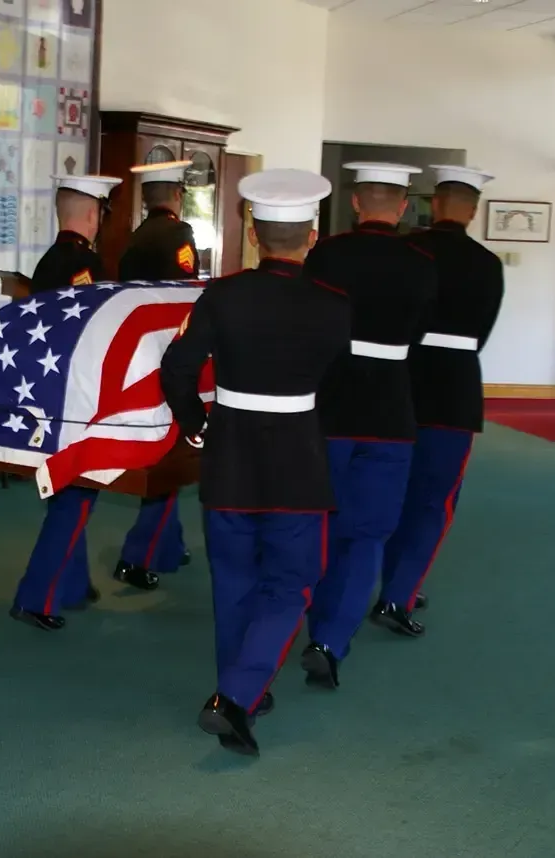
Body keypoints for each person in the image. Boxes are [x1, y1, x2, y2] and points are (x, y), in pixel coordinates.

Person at [161, 168, 349, 755]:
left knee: (234, 579)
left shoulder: (222, 294)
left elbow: (176, 371)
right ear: (312, 234)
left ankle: (240, 686)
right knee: (292, 582)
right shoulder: (335, 306)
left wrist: (197, 426)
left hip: (231, 452)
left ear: (253, 229)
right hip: (297, 456)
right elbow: (339, 389)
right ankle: (237, 695)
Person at [301, 162, 437, 691]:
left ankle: (299, 620)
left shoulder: (327, 254)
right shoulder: (422, 263)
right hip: (389, 411)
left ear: (356, 202)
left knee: (317, 521)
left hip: (330, 405)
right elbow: (420, 336)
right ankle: (330, 641)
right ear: (402, 206)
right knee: (368, 534)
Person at [372, 166, 504, 635]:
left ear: (433, 204)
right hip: (453, 388)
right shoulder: (487, 264)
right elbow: (482, 333)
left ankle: (393, 581)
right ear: (472, 210)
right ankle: (398, 594)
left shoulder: (408, 251)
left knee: (392, 490)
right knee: (434, 499)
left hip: (398, 381)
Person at [10, 174, 122, 631]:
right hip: (78, 399)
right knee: (75, 497)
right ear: (93, 215)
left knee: (67, 491)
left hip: (46, 393)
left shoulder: (47, 261)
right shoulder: (87, 265)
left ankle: (72, 583)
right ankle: (36, 596)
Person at [112, 159, 200, 593]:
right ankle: (136, 555)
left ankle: (169, 545)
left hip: (139, 359)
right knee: (168, 459)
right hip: (170, 359)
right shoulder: (178, 235)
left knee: (165, 454)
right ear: (178, 197)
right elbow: (187, 294)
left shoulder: (133, 240)